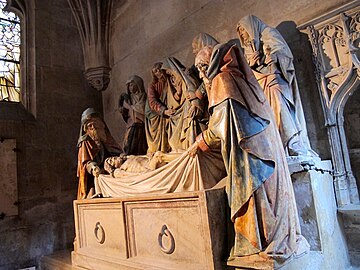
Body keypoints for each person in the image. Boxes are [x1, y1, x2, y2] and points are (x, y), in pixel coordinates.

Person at [189, 43, 309, 265]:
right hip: (263, 151)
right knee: (265, 199)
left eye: (201, 68)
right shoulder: (239, 77)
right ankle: (267, 238)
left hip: (248, 156)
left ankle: (254, 247)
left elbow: (221, 126)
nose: (200, 75)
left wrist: (201, 140)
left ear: (209, 65)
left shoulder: (221, 81)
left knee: (253, 199)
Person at [236, 15, 316, 157]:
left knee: (280, 107)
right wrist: (252, 64)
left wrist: (272, 57)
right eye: (240, 31)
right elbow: (247, 73)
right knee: (267, 115)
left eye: (243, 30)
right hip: (260, 86)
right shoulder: (247, 47)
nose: (242, 34)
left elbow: (285, 55)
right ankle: (276, 147)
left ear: (251, 26)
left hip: (275, 80)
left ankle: (292, 142)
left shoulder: (269, 33)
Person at [76, 108, 122, 199]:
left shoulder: (107, 138)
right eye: (90, 126)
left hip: (110, 171)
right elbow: (85, 163)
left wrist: (121, 157)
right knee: (99, 180)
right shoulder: (85, 142)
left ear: (102, 125)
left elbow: (116, 152)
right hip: (94, 178)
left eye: (96, 124)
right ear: (86, 129)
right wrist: (93, 168)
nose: (93, 128)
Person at [119, 75, 148, 155]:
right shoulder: (129, 98)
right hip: (131, 123)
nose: (130, 88)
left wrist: (129, 107)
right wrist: (123, 109)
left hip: (140, 122)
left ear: (138, 84)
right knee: (128, 139)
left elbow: (142, 108)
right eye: (128, 86)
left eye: (131, 85)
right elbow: (125, 111)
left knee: (139, 141)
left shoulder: (143, 96)